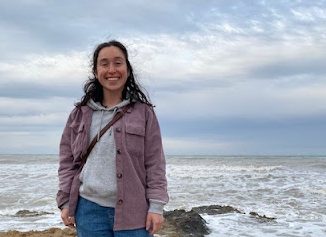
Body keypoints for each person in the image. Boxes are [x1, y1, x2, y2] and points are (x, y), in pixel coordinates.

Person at [56, 40, 168, 237]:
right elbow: (67, 162)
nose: (111, 70)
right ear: (96, 70)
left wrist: (156, 207)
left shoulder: (144, 113)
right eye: (104, 63)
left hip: (135, 213)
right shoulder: (79, 114)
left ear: (127, 68)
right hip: (88, 211)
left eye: (118, 63)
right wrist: (65, 202)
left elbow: (155, 163)